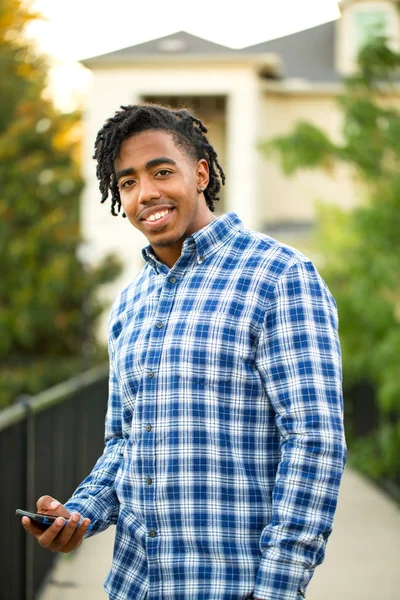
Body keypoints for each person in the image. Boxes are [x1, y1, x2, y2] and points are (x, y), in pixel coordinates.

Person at [22, 104, 346, 600]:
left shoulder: (279, 276)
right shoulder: (131, 303)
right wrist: (79, 514)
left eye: (162, 171)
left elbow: (314, 444)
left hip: (234, 588)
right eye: (127, 182)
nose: (145, 193)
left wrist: (278, 589)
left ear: (200, 173)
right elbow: (125, 444)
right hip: (134, 586)